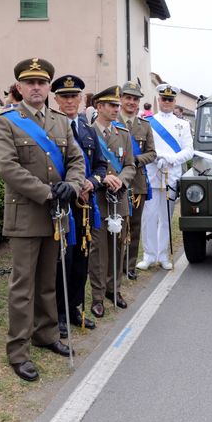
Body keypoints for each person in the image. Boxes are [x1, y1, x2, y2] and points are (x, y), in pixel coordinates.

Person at [0, 58, 85, 382]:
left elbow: (75, 159)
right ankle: (18, 350)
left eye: (41, 83)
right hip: (26, 216)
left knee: (48, 282)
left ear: (48, 88)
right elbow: (7, 167)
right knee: (23, 287)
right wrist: (48, 192)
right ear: (19, 87)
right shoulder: (6, 121)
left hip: (56, 216)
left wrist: (71, 186)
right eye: (29, 82)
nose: (35, 87)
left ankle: (45, 335)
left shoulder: (60, 121)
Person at [50, 75, 107, 338]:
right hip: (62, 206)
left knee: (81, 262)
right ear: (56, 100)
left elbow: (100, 166)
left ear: (82, 99)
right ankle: (59, 313)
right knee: (63, 260)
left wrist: (92, 183)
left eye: (74, 96)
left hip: (84, 207)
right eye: (64, 97)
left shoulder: (88, 130)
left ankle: (74, 308)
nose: (70, 101)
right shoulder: (50, 129)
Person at [88, 86, 136, 318]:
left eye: (117, 105)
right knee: (98, 250)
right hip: (97, 200)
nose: (117, 109)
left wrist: (121, 179)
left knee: (118, 246)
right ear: (99, 107)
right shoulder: (87, 133)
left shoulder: (123, 133)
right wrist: (101, 179)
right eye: (111, 105)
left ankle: (113, 289)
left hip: (119, 199)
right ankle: (97, 296)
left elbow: (130, 165)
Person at [137, 84, 193, 270]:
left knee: (165, 218)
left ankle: (162, 255)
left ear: (174, 101)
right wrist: (156, 159)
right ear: (159, 100)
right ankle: (149, 255)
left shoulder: (183, 124)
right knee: (149, 217)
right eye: (164, 99)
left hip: (170, 175)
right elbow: (144, 148)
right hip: (152, 174)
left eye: (170, 99)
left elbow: (189, 151)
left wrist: (170, 159)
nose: (167, 102)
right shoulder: (148, 122)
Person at [117, 78, 156, 280]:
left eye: (135, 99)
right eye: (128, 98)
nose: (131, 102)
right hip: (116, 183)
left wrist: (135, 160)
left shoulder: (145, 126)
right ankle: (114, 266)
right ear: (121, 99)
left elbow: (152, 154)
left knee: (134, 226)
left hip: (138, 184)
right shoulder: (111, 121)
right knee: (116, 227)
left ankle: (129, 266)